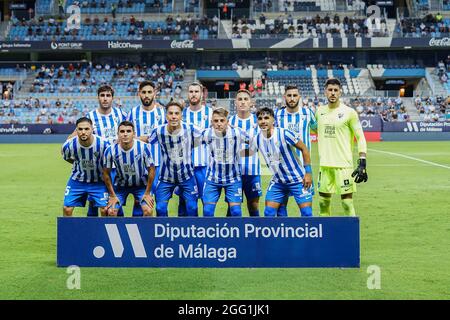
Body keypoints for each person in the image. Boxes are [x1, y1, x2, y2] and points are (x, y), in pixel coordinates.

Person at [314, 78, 368, 216]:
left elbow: (360, 137)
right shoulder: (319, 112)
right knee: (323, 204)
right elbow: (314, 129)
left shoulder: (349, 112)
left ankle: (350, 236)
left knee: (347, 204)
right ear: (325, 92)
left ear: (340, 92)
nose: (333, 93)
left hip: (344, 166)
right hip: (325, 166)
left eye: (335, 90)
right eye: (330, 90)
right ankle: (325, 236)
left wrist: (362, 161)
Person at [248, 107, 313, 217]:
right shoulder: (256, 139)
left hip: (298, 179)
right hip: (278, 182)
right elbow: (244, 148)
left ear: (273, 120)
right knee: (269, 213)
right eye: (260, 119)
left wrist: (308, 172)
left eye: (266, 118)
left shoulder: (284, 134)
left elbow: (304, 148)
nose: (263, 121)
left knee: (307, 213)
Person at [145, 101, 203, 217]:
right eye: (170, 113)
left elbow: (209, 134)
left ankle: (193, 232)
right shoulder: (158, 131)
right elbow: (147, 140)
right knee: (160, 208)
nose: (173, 116)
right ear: (166, 116)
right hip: (166, 178)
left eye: (177, 113)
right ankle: (164, 233)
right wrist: (132, 138)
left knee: (193, 207)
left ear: (181, 115)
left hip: (187, 177)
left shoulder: (191, 129)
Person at [275, 84, 317, 216]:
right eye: (289, 95)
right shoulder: (278, 114)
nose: (292, 98)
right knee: (281, 209)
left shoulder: (308, 113)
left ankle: (305, 235)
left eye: (294, 95)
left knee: (306, 211)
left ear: (299, 97)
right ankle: (284, 235)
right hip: (283, 169)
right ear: (284, 97)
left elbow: (317, 128)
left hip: (304, 169)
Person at [103, 121, 155, 217]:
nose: (125, 134)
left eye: (128, 131)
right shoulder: (110, 150)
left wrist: (147, 193)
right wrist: (112, 195)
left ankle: (144, 231)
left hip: (141, 185)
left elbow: (151, 169)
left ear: (134, 134)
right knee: (111, 212)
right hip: (121, 186)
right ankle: (118, 230)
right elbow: (106, 173)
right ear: (118, 134)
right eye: (122, 131)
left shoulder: (143, 147)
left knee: (148, 210)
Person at [202, 108, 248, 217]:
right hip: (212, 178)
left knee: (236, 212)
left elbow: (255, 140)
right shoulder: (206, 133)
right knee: (207, 211)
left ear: (227, 122)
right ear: (212, 122)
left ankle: (235, 233)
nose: (219, 124)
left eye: (222, 121)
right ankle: (208, 233)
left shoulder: (237, 132)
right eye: (216, 121)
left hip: (233, 178)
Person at [62, 117, 110, 217]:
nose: (83, 132)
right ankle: (70, 232)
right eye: (80, 129)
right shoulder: (69, 146)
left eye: (86, 129)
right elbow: (66, 157)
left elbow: (109, 164)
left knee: (105, 210)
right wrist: (78, 163)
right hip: (77, 180)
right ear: (76, 130)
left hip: (99, 181)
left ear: (92, 129)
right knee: (67, 208)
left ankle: (102, 232)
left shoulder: (104, 144)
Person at [178, 82, 212, 216]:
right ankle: (185, 234)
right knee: (185, 205)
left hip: (204, 165)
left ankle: (206, 232)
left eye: (196, 91)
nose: (193, 94)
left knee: (207, 204)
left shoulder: (210, 113)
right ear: (188, 94)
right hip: (185, 167)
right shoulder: (181, 114)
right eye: (191, 91)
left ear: (202, 94)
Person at [127, 80, 165, 194]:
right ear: (139, 93)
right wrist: (146, 138)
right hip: (138, 165)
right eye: (144, 92)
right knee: (140, 203)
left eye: (149, 92)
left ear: (155, 93)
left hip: (158, 164)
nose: (146, 95)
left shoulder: (162, 112)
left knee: (160, 205)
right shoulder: (133, 113)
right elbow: (126, 135)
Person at [228, 89, 261, 216]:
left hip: (253, 172)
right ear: (235, 102)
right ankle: (232, 234)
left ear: (251, 102)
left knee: (253, 207)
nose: (242, 102)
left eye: (245, 99)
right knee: (233, 210)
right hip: (233, 173)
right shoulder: (229, 121)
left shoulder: (258, 121)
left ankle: (256, 234)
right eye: (240, 99)